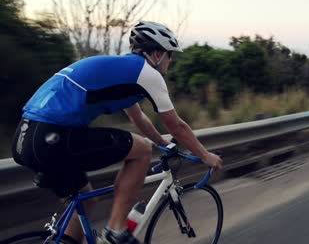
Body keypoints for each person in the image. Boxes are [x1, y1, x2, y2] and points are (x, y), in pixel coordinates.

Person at [11, 21, 223, 244]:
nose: (171, 61)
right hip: (51, 136)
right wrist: (205, 155)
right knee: (141, 149)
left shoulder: (124, 71)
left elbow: (137, 117)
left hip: (26, 138)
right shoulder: (147, 73)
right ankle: (116, 230)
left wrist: (162, 142)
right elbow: (177, 125)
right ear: (158, 53)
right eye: (170, 55)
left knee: (86, 200)